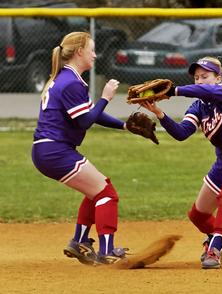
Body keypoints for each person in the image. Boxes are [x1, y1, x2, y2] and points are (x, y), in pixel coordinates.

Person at [141, 56, 222, 269]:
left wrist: (174, 91)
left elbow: (209, 92)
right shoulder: (198, 107)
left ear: (218, 78)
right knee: (198, 215)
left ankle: (216, 248)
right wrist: (159, 114)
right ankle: (214, 235)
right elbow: (182, 133)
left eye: (205, 76)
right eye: (196, 77)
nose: (200, 81)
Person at [32, 32, 134, 265]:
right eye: (91, 50)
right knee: (107, 194)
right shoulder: (71, 83)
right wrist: (106, 97)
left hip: (49, 150)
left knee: (96, 189)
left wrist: (126, 126)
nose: (95, 55)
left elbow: (89, 115)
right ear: (79, 52)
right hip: (56, 151)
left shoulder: (66, 79)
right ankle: (106, 251)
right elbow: (85, 121)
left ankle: (79, 241)